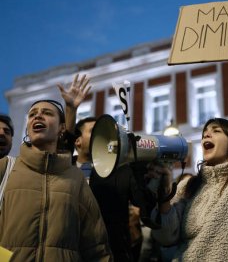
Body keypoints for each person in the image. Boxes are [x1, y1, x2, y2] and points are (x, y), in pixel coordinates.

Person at [149, 47, 228, 261]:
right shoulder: (187, 187)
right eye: (205, 133)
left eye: (216, 131)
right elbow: (167, 236)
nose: (207, 135)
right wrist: (164, 199)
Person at [0, 99, 112, 261]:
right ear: (27, 128)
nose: (38, 116)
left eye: (47, 113)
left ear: (61, 129)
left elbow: (95, 245)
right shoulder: (6, 167)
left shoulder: (76, 178)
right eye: (32, 114)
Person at [74, 117, 153, 262]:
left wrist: (139, 170)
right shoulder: (66, 171)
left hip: (113, 253)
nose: (102, 136)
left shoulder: (122, 171)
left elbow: (146, 207)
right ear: (77, 141)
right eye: (93, 131)